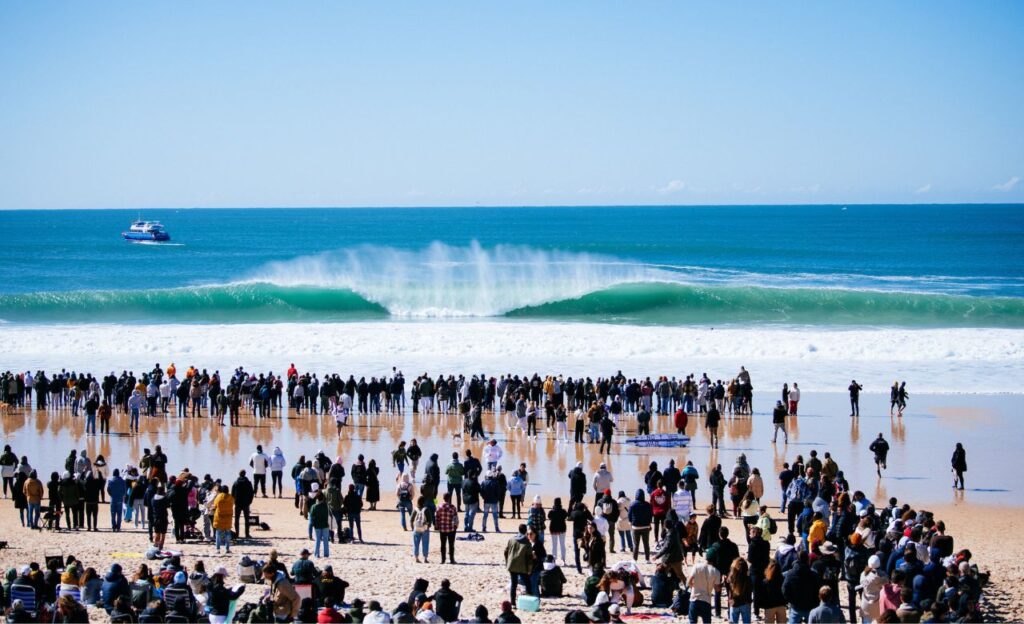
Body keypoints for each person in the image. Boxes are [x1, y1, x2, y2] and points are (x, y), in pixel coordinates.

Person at [688, 554, 723, 624]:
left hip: (694, 598)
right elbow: (717, 589)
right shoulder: (716, 571)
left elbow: (689, 581)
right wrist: (722, 583)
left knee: (692, 621)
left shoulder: (696, 566)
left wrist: (693, 587)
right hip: (706, 600)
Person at [505, 524, 534, 603]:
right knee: (527, 584)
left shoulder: (511, 539)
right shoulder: (527, 542)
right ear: (525, 531)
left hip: (511, 564)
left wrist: (507, 562)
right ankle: (529, 601)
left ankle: (513, 603)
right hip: (522, 566)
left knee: (513, 585)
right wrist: (529, 569)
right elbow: (529, 557)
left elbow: (506, 551)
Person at [411, 495, 432, 563]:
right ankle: (425, 558)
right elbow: (430, 519)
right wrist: (428, 526)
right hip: (424, 528)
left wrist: (412, 527)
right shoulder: (426, 509)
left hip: (416, 528)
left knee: (416, 543)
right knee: (425, 543)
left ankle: (416, 558)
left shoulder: (415, 509)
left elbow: (411, 519)